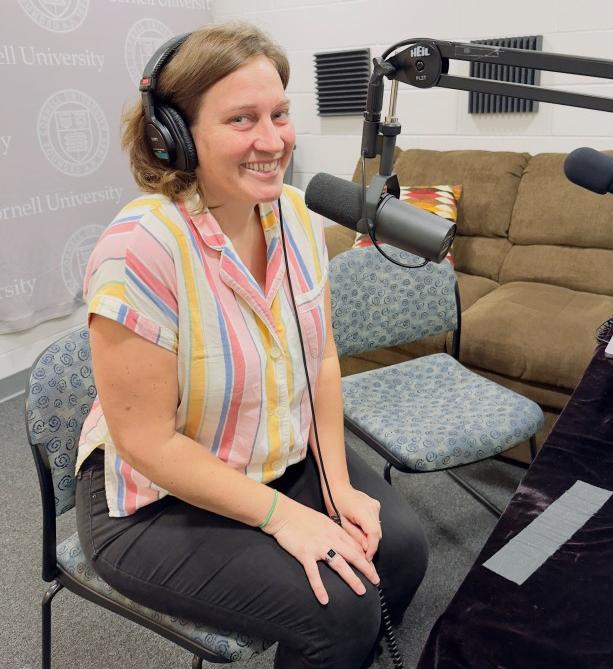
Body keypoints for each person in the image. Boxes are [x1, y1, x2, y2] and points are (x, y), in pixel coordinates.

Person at [74, 23, 428, 669]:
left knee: (400, 549)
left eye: (279, 114)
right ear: (173, 135)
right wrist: (282, 516)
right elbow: (147, 442)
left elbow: (318, 356)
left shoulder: (292, 215)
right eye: (242, 119)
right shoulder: (139, 252)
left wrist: (337, 482)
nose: (272, 141)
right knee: (339, 608)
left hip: (273, 444)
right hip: (156, 497)